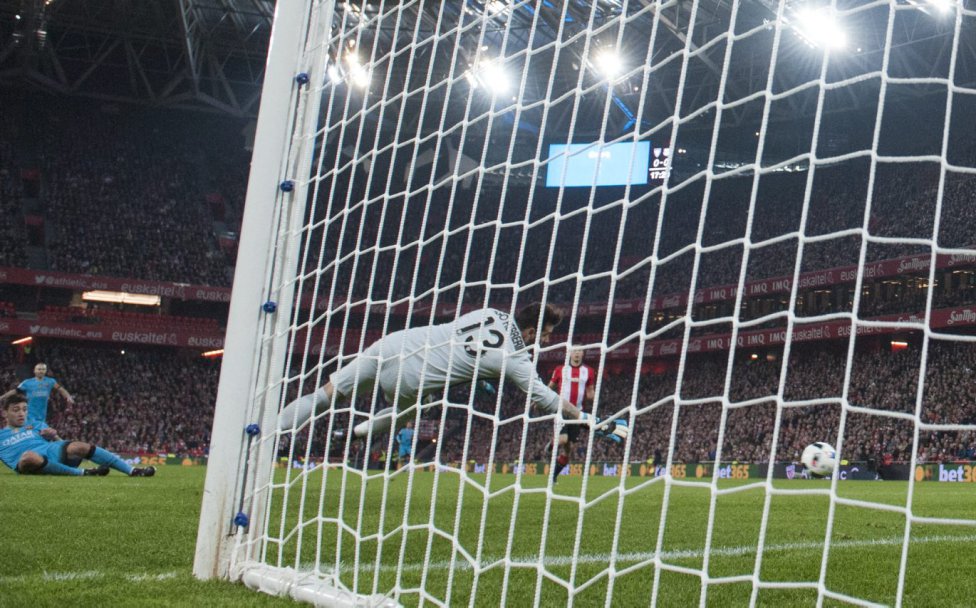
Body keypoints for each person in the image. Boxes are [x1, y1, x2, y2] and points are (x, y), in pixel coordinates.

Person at [278, 303, 628, 446]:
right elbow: (548, 400)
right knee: (406, 412)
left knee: (325, 394)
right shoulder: (516, 361)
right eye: (547, 334)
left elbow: (472, 349)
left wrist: (482, 376)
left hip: (396, 343)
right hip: (411, 380)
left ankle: (270, 431)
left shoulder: (492, 312)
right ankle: (354, 433)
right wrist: (590, 420)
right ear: (532, 330)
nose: (548, 340)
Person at [0, 392, 155, 477]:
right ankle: (83, 473)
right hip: (27, 462)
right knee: (29, 456)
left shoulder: (36, 425)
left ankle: (132, 470)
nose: (21, 413)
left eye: (24, 409)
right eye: (16, 410)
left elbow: (60, 442)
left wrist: (54, 436)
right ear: (4, 413)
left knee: (78, 446)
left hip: (51, 451)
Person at [547, 346, 597, 484]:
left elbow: (590, 393)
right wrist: (538, 398)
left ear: (583, 353)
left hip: (577, 414)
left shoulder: (589, 371)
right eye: (574, 351)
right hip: (562, 410)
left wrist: (595, 398)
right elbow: (550, 387)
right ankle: (551, 445)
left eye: (579, 351)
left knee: (569, 450)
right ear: (569, 353)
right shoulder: (560, 369)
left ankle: (553, 476)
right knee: (563, 440)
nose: (577, 353)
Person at [1, 362, 75, 424]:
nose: (41, 371)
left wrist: (68, 396)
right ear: (34, 371)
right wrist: (1, 397)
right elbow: (15, 391)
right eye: (39, 369)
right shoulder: (27, 382)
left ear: (45, 371)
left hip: (42, 416)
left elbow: (61, 389)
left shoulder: (50, 381)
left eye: (43, 369)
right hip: (29, 415)